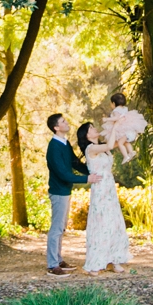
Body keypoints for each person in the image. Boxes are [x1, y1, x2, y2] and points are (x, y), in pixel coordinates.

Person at [46, 113, 102, 277]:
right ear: (56, 127)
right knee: (56, 229)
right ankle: (52, 265)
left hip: (65, 191)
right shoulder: (54, 147)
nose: (67, 122)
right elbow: (63, 173)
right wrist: (87, 178)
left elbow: (75, 163)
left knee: (61, 227)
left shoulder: (65, 143)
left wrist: (92, 169)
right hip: (58, 192)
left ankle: (58, 259)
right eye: (63, 121)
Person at [77, 121, 132, 274]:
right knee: (101, 222)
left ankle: (114, 259)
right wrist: (114, 126)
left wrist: (128, 129)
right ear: (86, 135)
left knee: (114, 222)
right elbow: (108, 145)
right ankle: (97, 261)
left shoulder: (103, 147)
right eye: (91, 128)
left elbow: (116, 143)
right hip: (100, 189)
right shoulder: (91, 148)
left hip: (109, 188)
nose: (95, 129)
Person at [104, 92, 148, 162]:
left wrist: (107, 119)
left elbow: (117, 118)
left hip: (123, 131)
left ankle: (126, 156)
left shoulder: (116, 110)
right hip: (129, 131)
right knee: (125, 142)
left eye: (111, 103)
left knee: (120, 143)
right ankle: (131, 151)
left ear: (114, 103)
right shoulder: (124, 108)